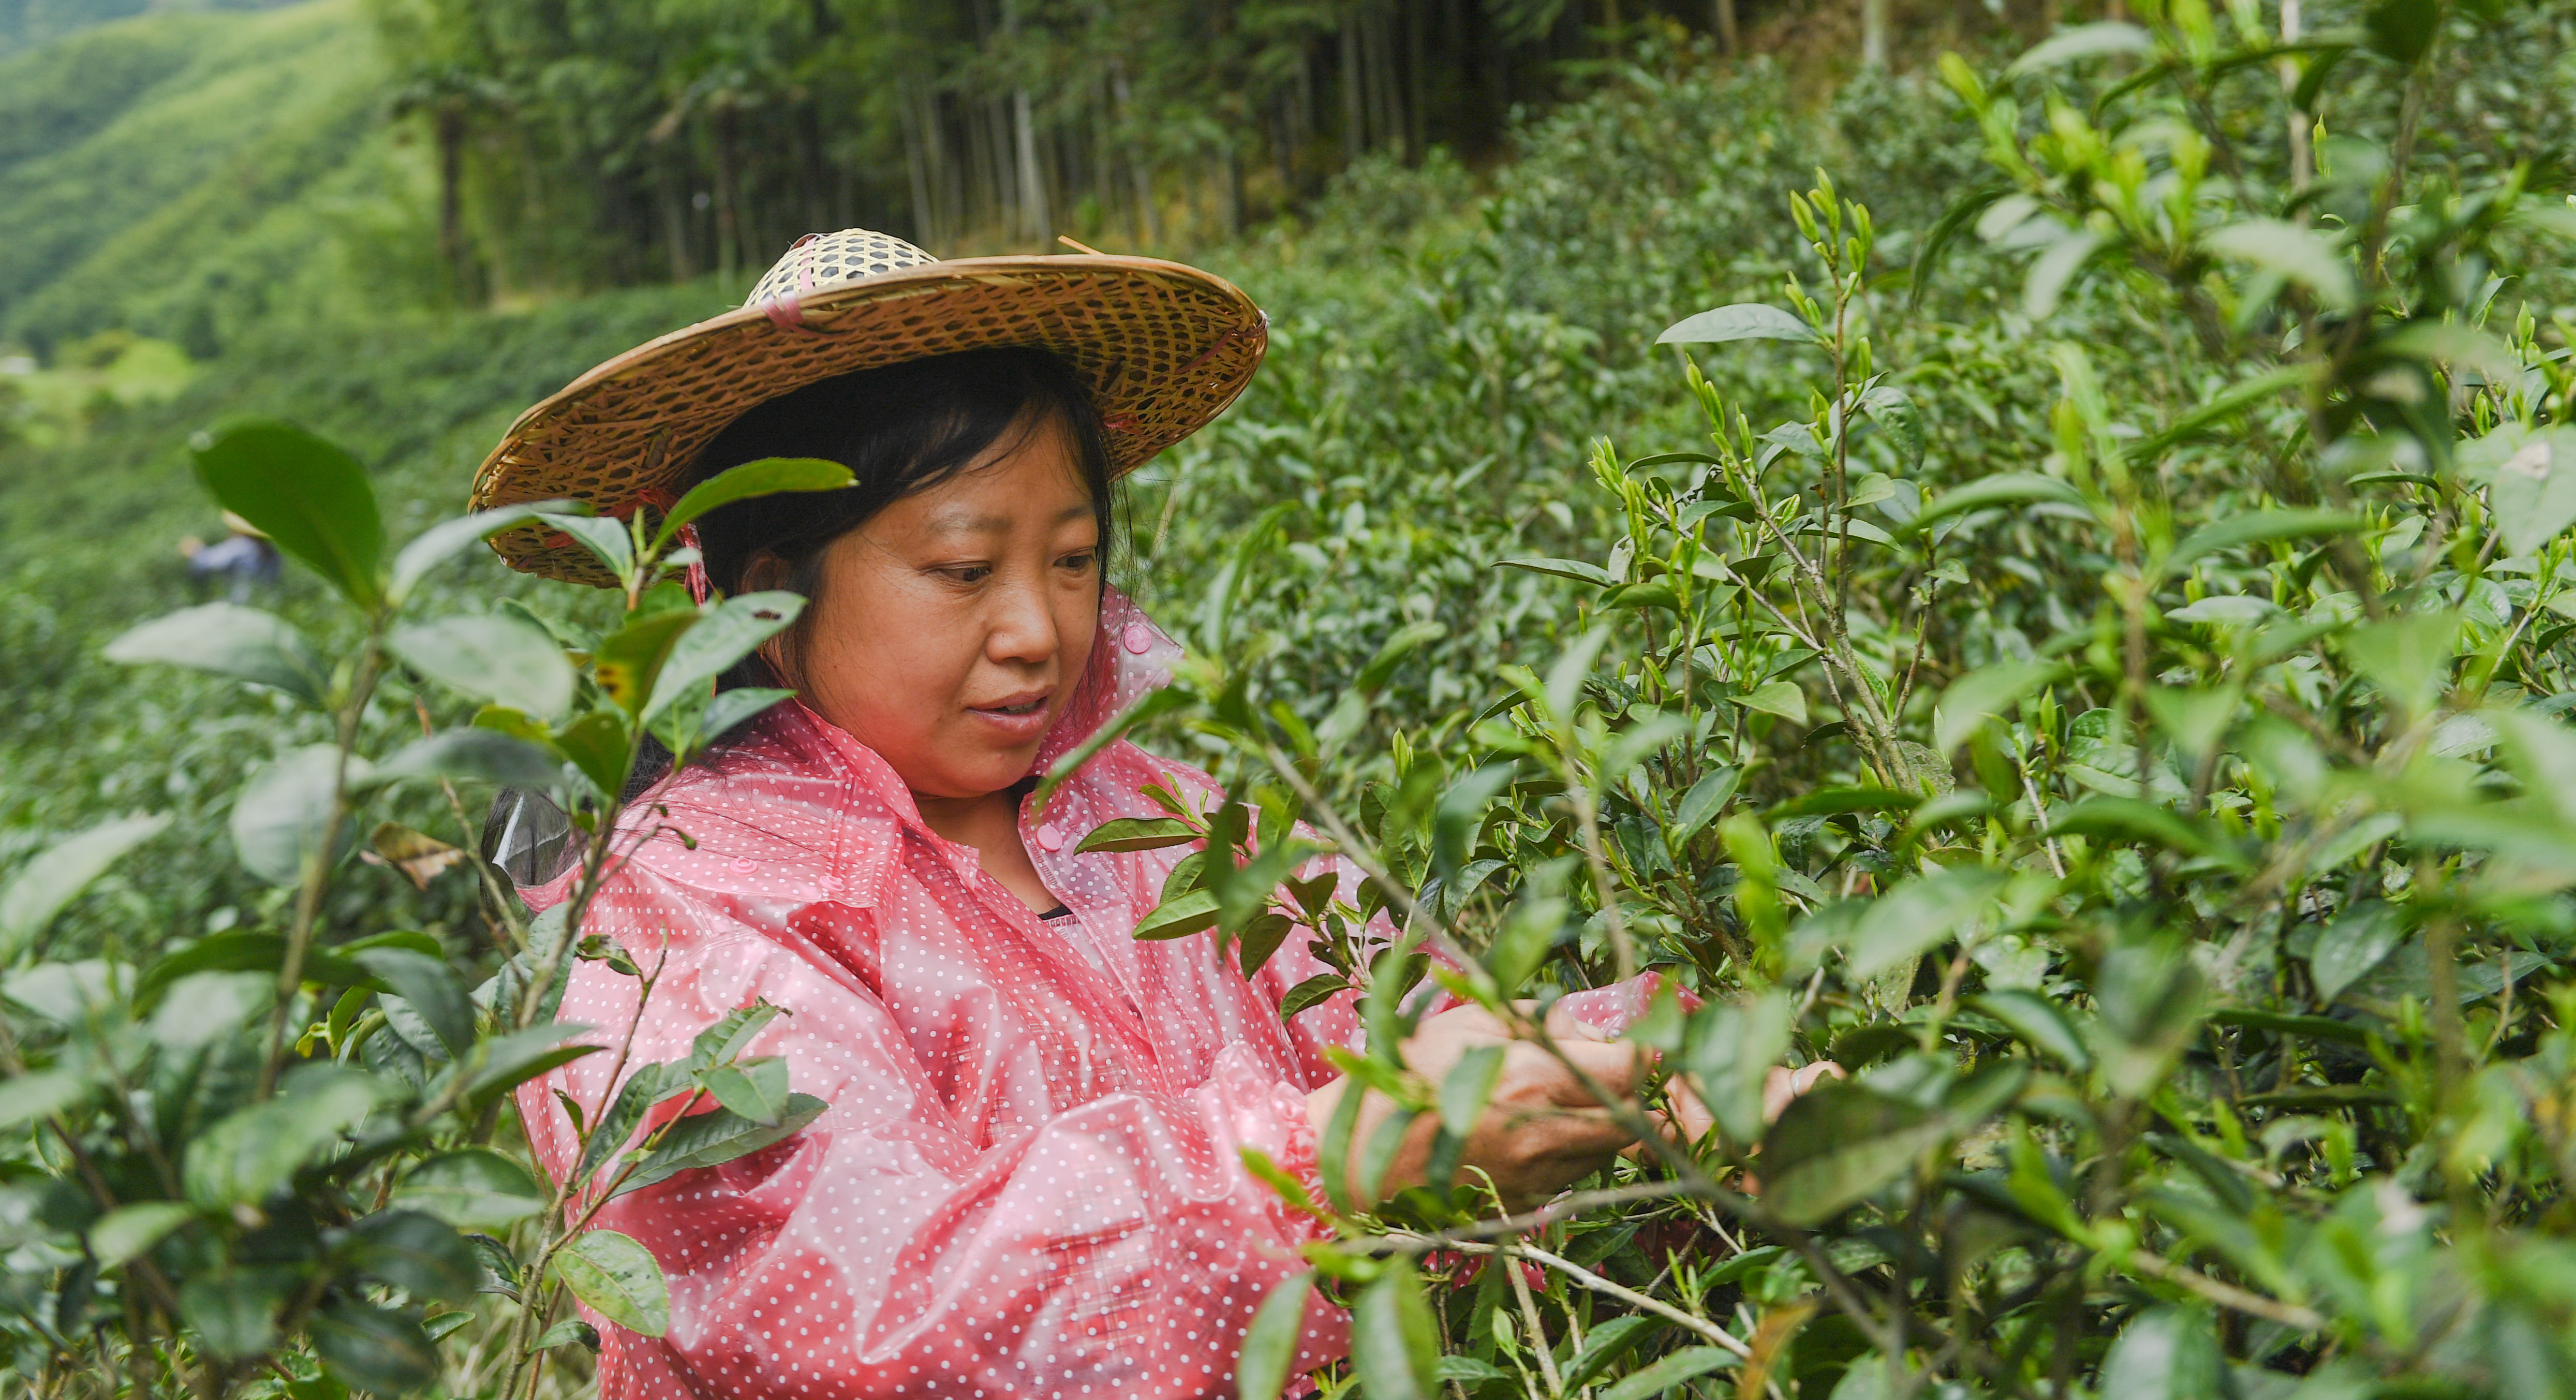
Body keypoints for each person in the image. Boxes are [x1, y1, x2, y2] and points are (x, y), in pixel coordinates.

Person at [468, 229, 1804, 1398]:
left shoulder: (1158, 809)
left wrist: (1676, 1084)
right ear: (768, 597)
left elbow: (1412, 1027)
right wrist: (1342, 1165)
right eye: (965, 568)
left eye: (1072, 560)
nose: (1037, 629)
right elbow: (878, 1312)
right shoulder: (683, 914)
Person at [179, 512, 282, 601]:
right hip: (267, 602)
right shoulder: (271, 549)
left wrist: (196, 551)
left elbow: (209, 562)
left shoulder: (242, 545)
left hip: (244, 603)